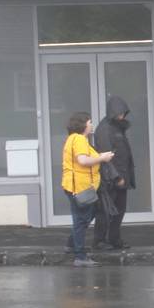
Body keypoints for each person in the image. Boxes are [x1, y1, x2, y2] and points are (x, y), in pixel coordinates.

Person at [61, 112, 114, 267]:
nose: (92, 124)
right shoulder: (79, 140)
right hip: (80, 186)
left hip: (79, 186)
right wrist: (102, 158)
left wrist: (100, 155)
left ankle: (71, 245)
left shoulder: (74, 139)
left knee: (86, 216)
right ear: (82, 125)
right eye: (90, 122)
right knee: (81, 220)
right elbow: (83, 161)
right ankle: (80, 256)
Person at [92, 95, 136, 250]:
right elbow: (106, 156)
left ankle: (114, 239)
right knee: (105, 210)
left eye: (123, 113)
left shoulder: (117, 127)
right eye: (119, 113)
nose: (122, 116)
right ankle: (100, 240)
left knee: (119, 210)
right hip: (110, 179)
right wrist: (117, 177)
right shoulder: (105, 130)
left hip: (121, 176)